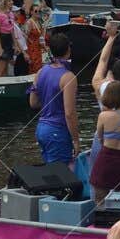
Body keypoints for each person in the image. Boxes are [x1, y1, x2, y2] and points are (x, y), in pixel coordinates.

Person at [29, 29, 80, 164]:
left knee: (50, 172)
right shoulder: (68, 77)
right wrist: (76, 140)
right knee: (61, 176)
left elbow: (33, 103)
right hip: (57, 131)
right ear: (68, 49)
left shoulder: (40, 71)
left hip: (41, 129)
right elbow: (69, 113)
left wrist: (50, 102)